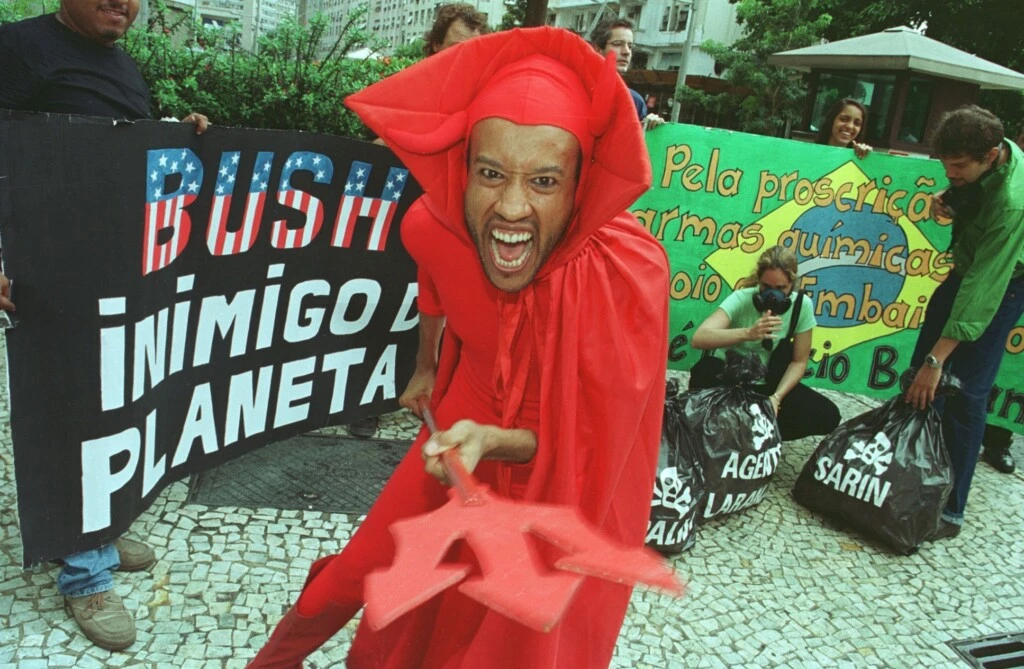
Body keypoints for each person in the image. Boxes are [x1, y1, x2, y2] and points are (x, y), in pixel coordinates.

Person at [248, 26, 669, 668]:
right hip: (454, 434)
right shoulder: (429, 224)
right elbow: (436, 292)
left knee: (495, 630)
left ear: (581, 185)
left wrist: (494, 440)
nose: (512, 207)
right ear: (463, 169)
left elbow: (598, 447)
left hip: (541, 469)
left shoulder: (624, 272)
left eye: (546, 181)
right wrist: (424, 369)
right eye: (491, 173)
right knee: (360, 571)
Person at [0, 0, 208, 651]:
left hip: (113, 272)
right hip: (45, 275)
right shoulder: (19, 48)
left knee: (116, 404)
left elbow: (119, 153)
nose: (125, 3)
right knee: (74, 413)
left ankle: (102, 525)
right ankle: (85, 572)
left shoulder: (120, 65)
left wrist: (180, 135)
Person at [354, 2, 488, 435]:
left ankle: (444, 390)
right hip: (400, 220)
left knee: (449, 310)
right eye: (453, 48)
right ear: (433, 47)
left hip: (455, 228)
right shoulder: (412, 90)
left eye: (472, 50)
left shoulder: (486, 97)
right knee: (386, 300)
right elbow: (376, 144)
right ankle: (370, 397)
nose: (460, 59)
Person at [904, 105, 1024, 540]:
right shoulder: (988, 153)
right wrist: (952, 202)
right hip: (963, 271)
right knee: (917, 380)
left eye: (958, 167)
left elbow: (982, 290)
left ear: (991, 156)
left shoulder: (1012, 203)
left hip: (1003, 283)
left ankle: (949, 510)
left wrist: (938, 361)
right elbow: (969, 196)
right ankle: (909, 481)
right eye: (945, 165)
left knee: (964, 394)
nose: (949, 172)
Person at [690, 245, 841, 441]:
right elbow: (699, 338)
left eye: (781, 288)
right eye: (766, 287)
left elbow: (799, 362)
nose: (773, 295)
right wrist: (747, 333)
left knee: (827, 414)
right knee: (703, 371)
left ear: (792, 284)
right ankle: (727, 432)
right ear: (758, 281)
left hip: (766, 385)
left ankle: (759, 436)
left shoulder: (801, 306)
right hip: (729, 378)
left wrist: (776, 398)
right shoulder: (742, 299)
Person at [590, 18, 665, 130]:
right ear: (597, 49)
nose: (626, 52)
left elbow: (639, 143)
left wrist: (653, 127)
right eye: (617, 44)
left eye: (630, 46)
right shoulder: (577, 89)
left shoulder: (634, 100)